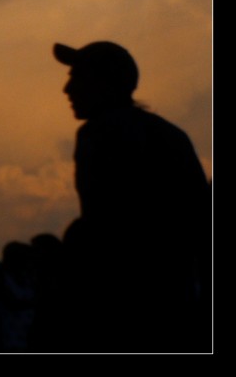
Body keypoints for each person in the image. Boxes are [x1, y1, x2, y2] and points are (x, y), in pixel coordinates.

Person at [52, 41, 210, 351]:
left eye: (78, 76)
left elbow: (103, 224)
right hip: (174, 296)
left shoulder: (98, 132)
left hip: (120, 301)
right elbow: (203, 222)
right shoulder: (171, 134)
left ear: (104, 83)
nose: (66, 88)